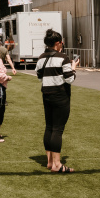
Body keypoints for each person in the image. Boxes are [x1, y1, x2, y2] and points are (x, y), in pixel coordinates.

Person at [36, 29, 78, 173]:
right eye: (61, 42)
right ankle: (57, 164)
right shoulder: (63, 57)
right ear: (58, 43)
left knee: (49, 127)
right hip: (61, 95)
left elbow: (40, 77)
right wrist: (74, 68)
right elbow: (70, 79)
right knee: (57, 129)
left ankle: (50, 162)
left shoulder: (41, 57)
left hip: (46, 94)